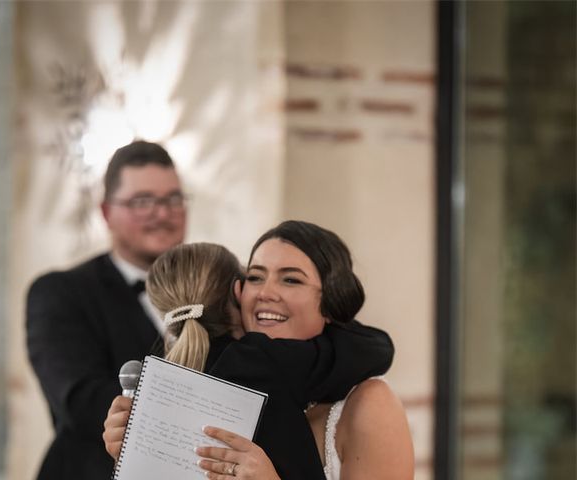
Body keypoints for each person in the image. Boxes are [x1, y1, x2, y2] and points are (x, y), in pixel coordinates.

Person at [104, 221, 414, 479]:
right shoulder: (215, 391)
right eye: (255, 277)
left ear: (331, 302)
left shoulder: (368, 403)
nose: (266, 293)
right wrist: (139, 452)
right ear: (238, 293)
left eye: (291, 280)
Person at [26, 140, 187, 479]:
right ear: (106, 212)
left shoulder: (220, 289)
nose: (162, 213)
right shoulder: (61, 293)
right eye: (143, 201)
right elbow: (82, 401)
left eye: (173, 199)